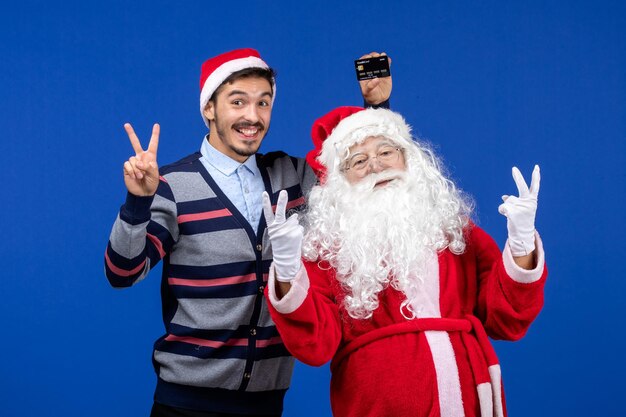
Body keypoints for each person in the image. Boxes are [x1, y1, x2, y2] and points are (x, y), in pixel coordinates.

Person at [104, 48, 391, 417]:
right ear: (209, 108)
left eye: (263, 102)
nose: (252, 116)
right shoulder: (172, 185)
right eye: (237, 101)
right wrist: (137, 202)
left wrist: (376, 110)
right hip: (186, 403)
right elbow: (122, 273)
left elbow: (370, 179)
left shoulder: (294, 175)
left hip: (268, 402)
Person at [263, 106, 547, 417]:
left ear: (408, 158)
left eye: (386, 151)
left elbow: (505, 320)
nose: (376, 166)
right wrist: (288, 272)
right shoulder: (327, 252)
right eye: (359, 161)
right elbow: (316, 346)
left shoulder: (455, 231)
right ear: (339, 182)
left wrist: (521, 243)